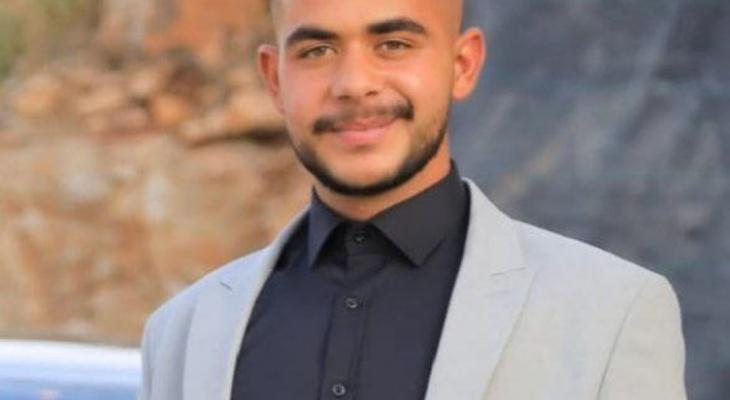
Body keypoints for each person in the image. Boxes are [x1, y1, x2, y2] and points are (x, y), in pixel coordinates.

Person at [138, 0, 687, 399]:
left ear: (462, 65)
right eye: (317, 50)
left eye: (394, 44)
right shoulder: (182, 331)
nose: (354, 83)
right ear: (275, 80)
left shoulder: (612, 313)